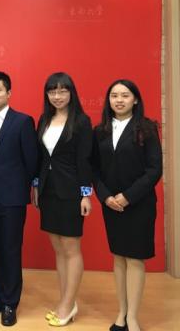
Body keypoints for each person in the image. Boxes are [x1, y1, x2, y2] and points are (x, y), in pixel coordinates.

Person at [92, 80, 162, 331]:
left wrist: (128, 196)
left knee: (134, 259)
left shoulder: (147, 128)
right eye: (114, 95)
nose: (119, 100)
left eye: (125, 95)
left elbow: (154, 169)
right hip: (111, 204)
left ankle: (132, 316)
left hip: (138, 203)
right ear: (108, 100)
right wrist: (105, 196)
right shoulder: (99, 130)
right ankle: (121, 312)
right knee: (119, 258)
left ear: (135, 99)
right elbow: (94, 169)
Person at [0, 71, 38, 326]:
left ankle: (11, 303)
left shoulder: (22, 121)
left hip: (13, 197)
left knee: (11, 250)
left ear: (8, 93)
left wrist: (25, 187)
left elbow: (32, 160)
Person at [34, 72, 92, 327]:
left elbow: (85, 160)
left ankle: (67, 306)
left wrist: (85, 194)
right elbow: (41, 158)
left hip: (71, 192)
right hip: (48, 191)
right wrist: (36, 185)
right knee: (58, 248)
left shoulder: (81, 121)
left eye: (62, 91)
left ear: (71, 93)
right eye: (52, 91)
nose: (57, 96)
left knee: (71, 248)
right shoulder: (44, 119)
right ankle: (66, 301)